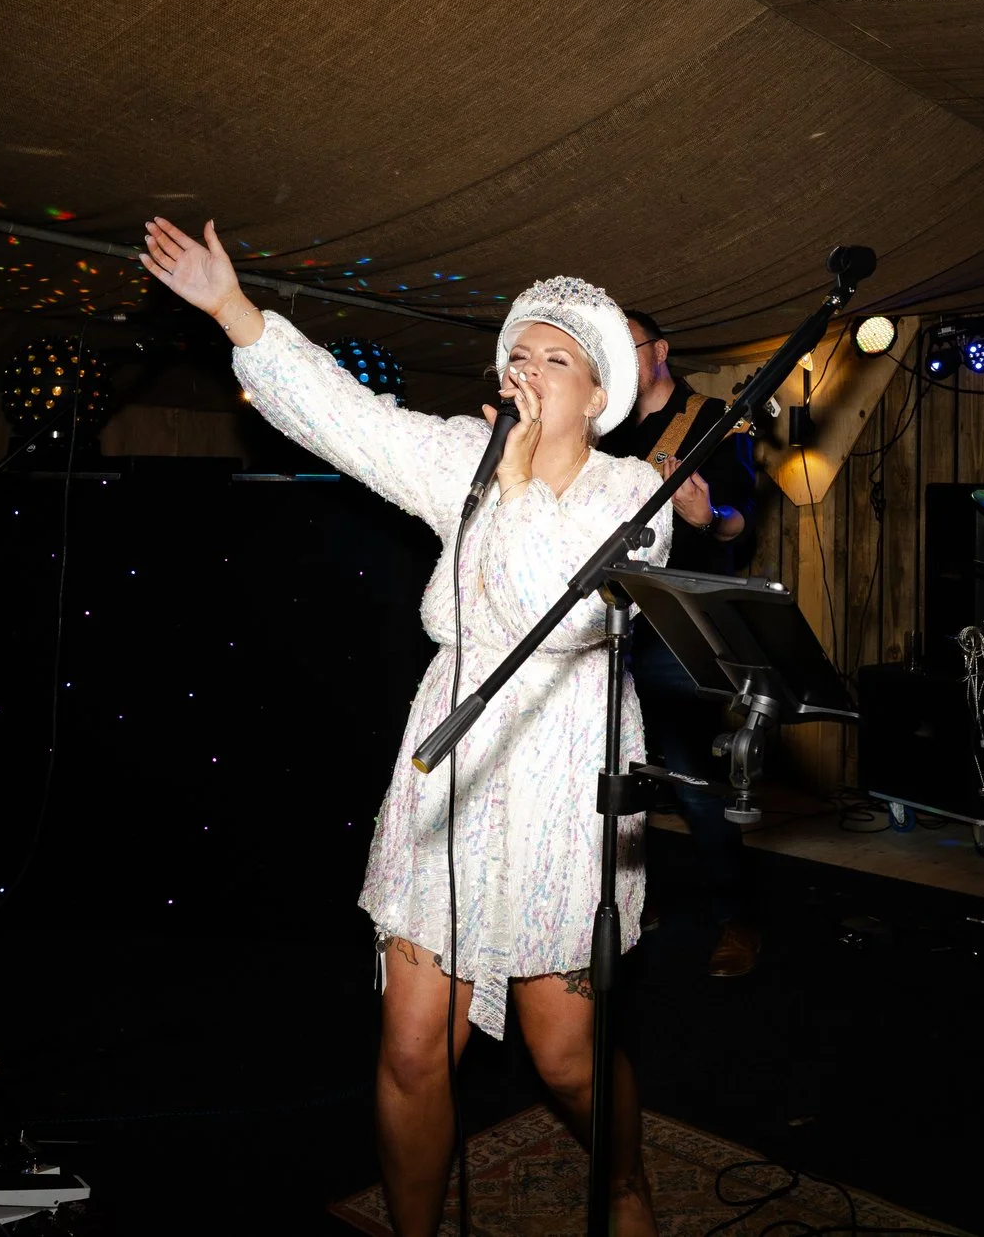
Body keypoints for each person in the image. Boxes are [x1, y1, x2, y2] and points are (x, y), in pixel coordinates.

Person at [140, 217, 666, 1237]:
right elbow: (346, 415)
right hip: (454, 760)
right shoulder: (464, 458)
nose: (530, 367)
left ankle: (623, 1181)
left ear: (598, 395)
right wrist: (232, 310)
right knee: (413, 1045)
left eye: (557, 358)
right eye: (520, 352)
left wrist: (515, 482)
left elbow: (551, 605)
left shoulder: (632, 494)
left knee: (565, 1052)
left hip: (567, 768)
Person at [595, 311, 763, 977]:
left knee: (693, 781)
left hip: (679, 628)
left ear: (660, 350)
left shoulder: (716, 417)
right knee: (615, 775)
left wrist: (709, 516)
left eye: (627, 345)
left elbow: (740, 521)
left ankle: (737, 917)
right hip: (608, 622)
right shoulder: (602, 429)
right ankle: (636, 901)